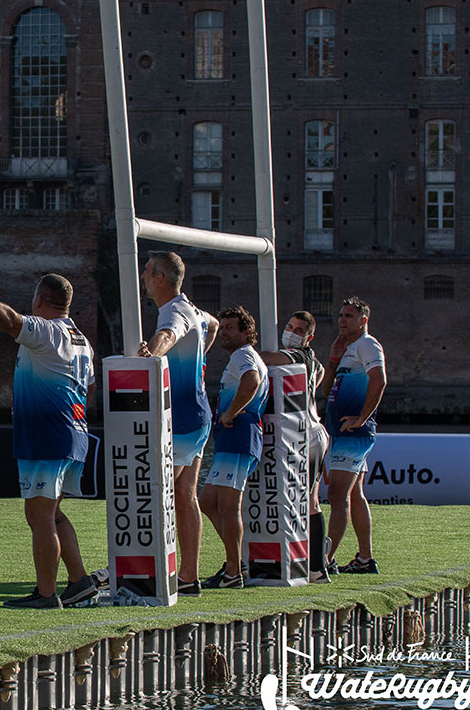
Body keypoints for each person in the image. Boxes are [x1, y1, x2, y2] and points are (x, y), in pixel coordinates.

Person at [0, 270, 96, 609]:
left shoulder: (47, 331)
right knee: (52, 514)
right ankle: (80, 582)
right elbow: (91, 388)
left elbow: (9, 320)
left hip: (47, 435)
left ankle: (46, 594)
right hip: (74, 435)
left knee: (39, 516)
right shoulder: (82, 339)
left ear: (39, 300)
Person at [136, 251, 219, 597]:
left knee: (162, 494)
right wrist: (199, 359)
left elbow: (169, 334)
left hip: (182, 419)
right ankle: (188, 574)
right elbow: (211, 325)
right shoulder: (194, 309)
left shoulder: (173, 311)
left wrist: (150, 355)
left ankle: (156, 569)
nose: (142, 276)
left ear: (159, 278)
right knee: (185, 496)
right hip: (198, 414)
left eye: (146, 271)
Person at [259, 311, 331, 582]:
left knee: (310, 500)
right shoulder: (314, 362)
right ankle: (310, 562)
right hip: (302, 432)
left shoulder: (301, 355)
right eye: (289, 326)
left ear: (308, 338)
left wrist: (248, 355)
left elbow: (269, 359)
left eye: (299, 330)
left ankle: (316, 568)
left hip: (310, 433)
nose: (291, 332)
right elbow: (320, 374)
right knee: (303, 497)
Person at [199, 306, 268, 590]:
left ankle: (233, 572)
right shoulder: (242, 357)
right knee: (206, 501)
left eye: (230, 328)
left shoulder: (244, 356)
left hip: (239, 435)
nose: (224, 332)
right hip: (232, 439)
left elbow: (251, 380)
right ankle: (235, 562)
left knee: (229, 507)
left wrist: (231, 413)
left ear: (246, 332)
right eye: (223, 327)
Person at [319, 296, 387, 574]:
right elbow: (325, 392)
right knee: (355, 494)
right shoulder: (348, 349)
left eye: (348, 315)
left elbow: (379, 379)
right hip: (341, 432)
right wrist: (333, 360)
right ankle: (365, 558)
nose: (342, 320)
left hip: (353, 433)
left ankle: (325, 560)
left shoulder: (368, 344)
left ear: (363, 320)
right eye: (341, 315)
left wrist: (363, 418)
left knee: (337, 495)